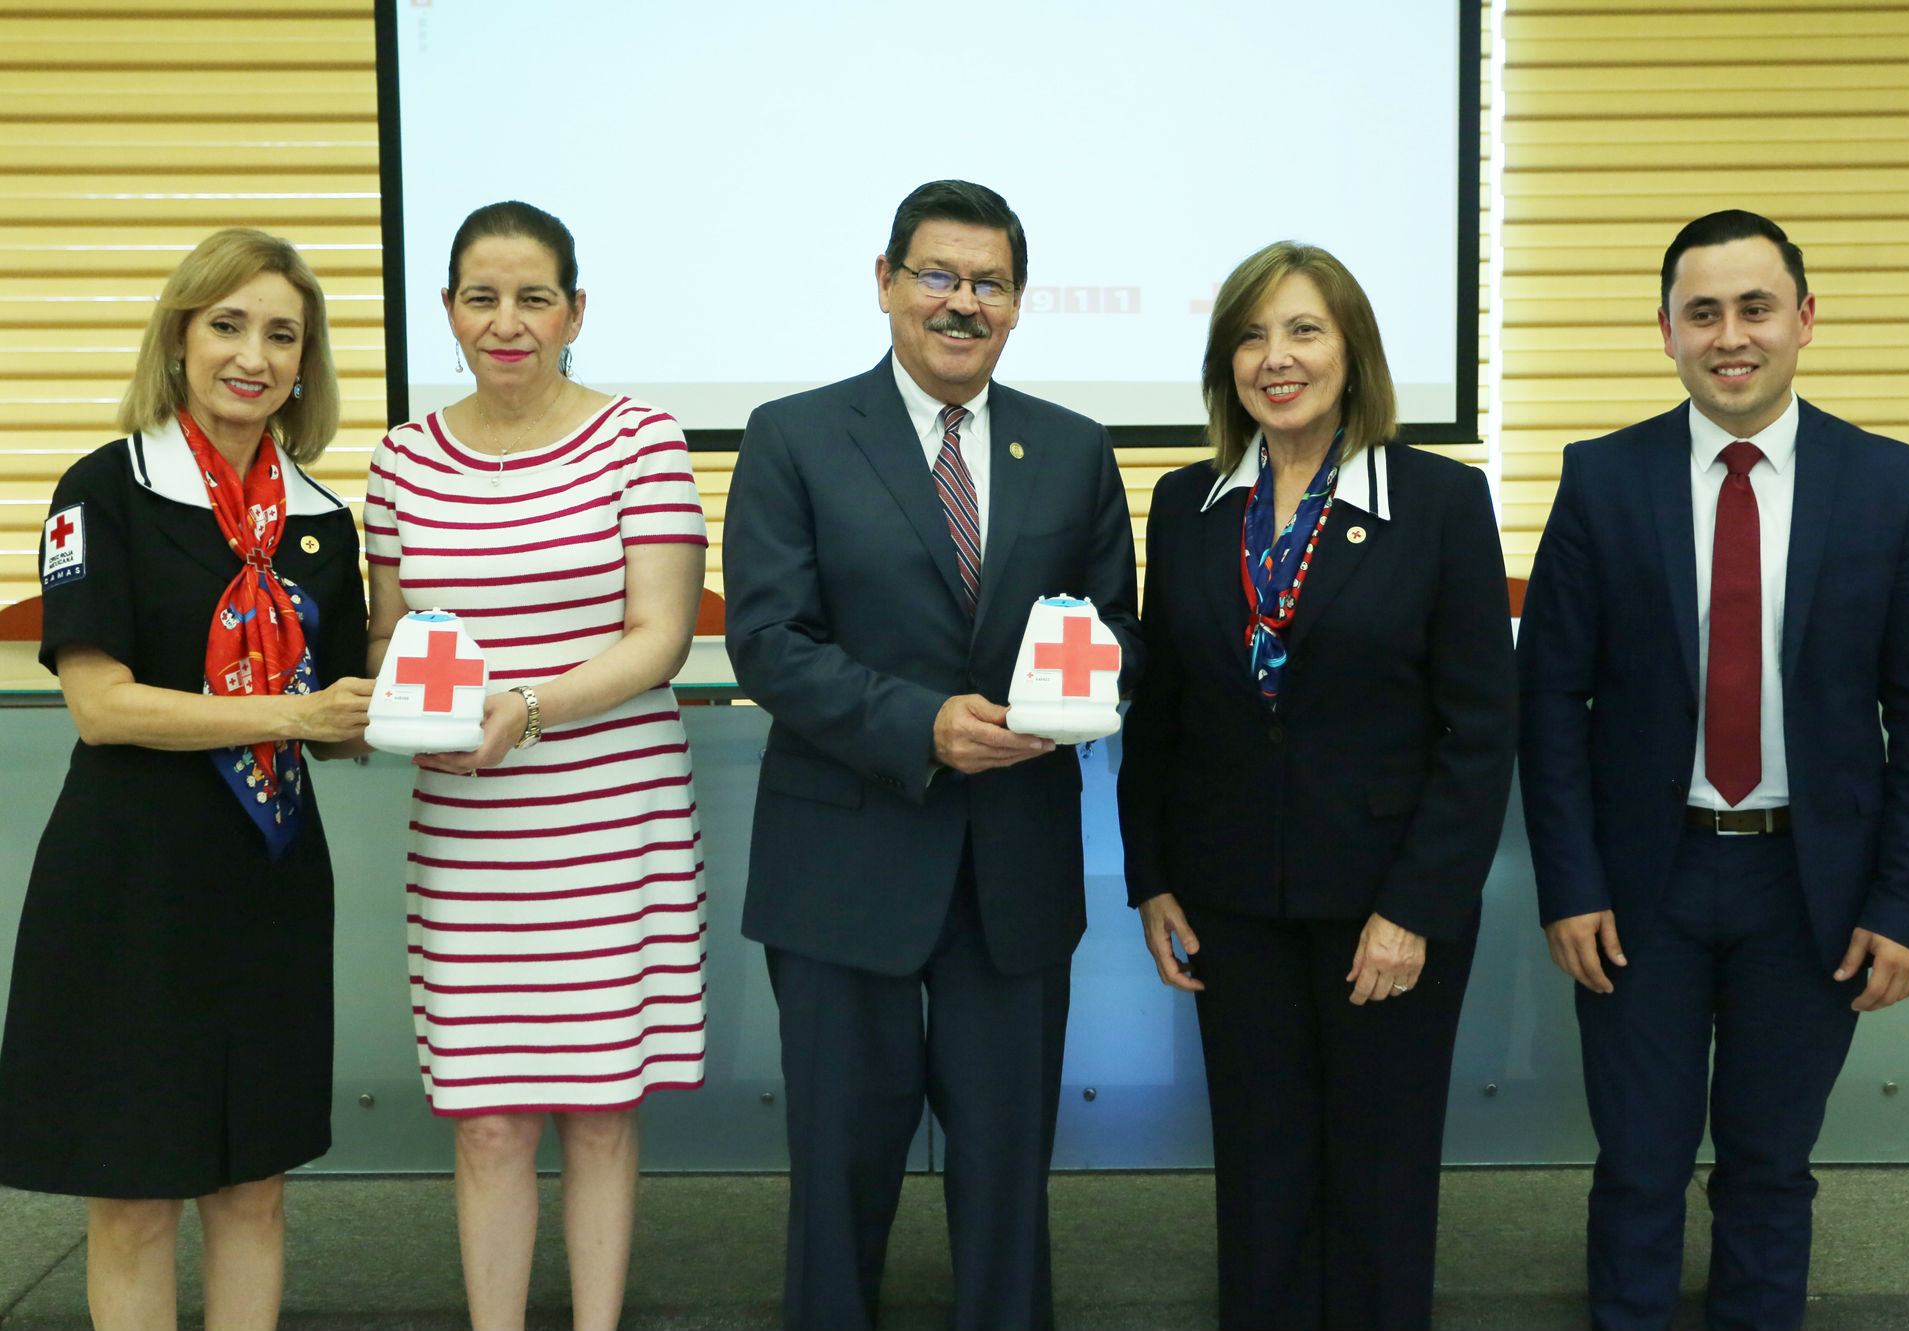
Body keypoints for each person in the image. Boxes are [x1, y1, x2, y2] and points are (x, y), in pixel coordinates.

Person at [1517, 210, 1909, 1330]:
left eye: (1754, 307)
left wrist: (1906, 905)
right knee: (1636, 1163)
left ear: (1803, 320)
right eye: (1701, 311)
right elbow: (1550, 699)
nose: (1730, 335)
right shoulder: (1600, 478)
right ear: (1664, 330)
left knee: (1769, 1166)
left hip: (1807, 891)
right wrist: (1568, 883)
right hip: (1640, 884)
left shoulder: (1888, 484)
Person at [722, 179, 1141, 1330]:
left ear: (1016, 303)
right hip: (841, 865)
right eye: (937, 276)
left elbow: (1117, 634)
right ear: (886, 283)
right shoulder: (791, 434)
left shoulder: (1071, 447)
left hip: (1012, 867)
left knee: (1006, 1179)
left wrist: (1083, 690)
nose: (961, 303)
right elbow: (765, 640)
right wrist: (921, 722)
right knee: (836, 1174)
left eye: (988, 283)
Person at [1116, 241, 1517, 1330]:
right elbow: (1161, 712)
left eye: (1302, 330)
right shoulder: (1186, 502)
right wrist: (1148, 875)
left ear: (1352, 352)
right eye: (1249, 334)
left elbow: (1479, 727)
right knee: (1258, 1169)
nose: (1273, 357)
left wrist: (1415, 907)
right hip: (1228, 899)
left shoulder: (1436, 499)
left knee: (1378, 1175)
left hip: (1385, 903)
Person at [0, 228, 371, 1330]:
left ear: (305, 364)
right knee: (135, 1196)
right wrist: (294, 713)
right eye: (227, 324)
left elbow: (342, 712)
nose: (251, 355)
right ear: (178, 338)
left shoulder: (318, 520)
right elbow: (101, 703)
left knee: (254, 1184)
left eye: (281, 334)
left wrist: (410, 704)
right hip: (129, 883)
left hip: (269, 883)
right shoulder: (105, 488)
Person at [363, 200, 709, 1331]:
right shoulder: (401, 458)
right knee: (489, 1116)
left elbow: (660, 633)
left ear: (573, 311)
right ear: (450, 311)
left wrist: (526, 707)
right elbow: (387, 638)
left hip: (611, 820)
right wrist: (427, 704)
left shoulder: (639, 439)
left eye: (532, 297)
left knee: (601, 1109)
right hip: (467, 836)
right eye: (481, 296)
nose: (506, 321)